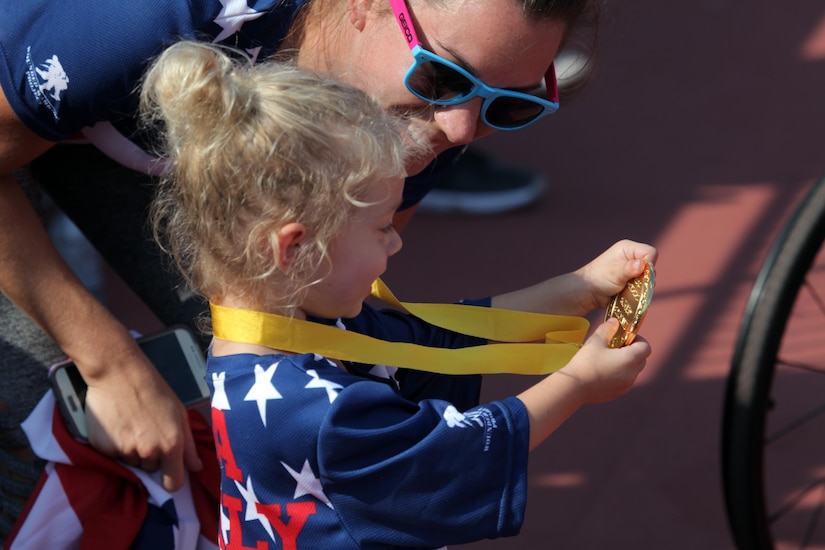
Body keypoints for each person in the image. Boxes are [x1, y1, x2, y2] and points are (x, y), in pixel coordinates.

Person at [0, 0, 600, 540]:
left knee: (272, 350)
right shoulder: (150, 16)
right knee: (39, 437)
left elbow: (358, 324)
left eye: (511, 105)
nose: (461, 128)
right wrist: (108, 362)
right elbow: (434, 458)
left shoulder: (432, 118)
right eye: (443, 75)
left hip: (145, 108)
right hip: (54, 86)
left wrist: (572, 296)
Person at [144, 40, 652, 548]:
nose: (397, 239)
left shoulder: (283, 333)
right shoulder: (312, 410)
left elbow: (435, 340)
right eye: (382, 227)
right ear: (295, 248)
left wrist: (580, 288)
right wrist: (579, 383)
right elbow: (453, 455)